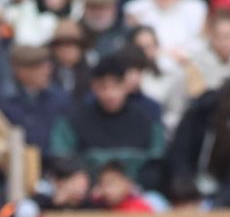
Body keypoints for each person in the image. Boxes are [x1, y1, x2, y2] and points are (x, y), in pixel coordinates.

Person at [50, 56, 167, 186]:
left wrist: (127, 186)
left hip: (136, 190)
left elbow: (156, 164)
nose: (110, 94)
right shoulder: (73, 121)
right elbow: (63, 160)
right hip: (89, 191)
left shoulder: (147, 120)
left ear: (126, 85)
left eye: (116, 86)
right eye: (103, 87)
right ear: (93, 87)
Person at [165, 73, 230, 204]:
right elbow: (181, 151)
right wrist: (183, 183)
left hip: (225, 192)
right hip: (189, 187)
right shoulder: (203, 113)